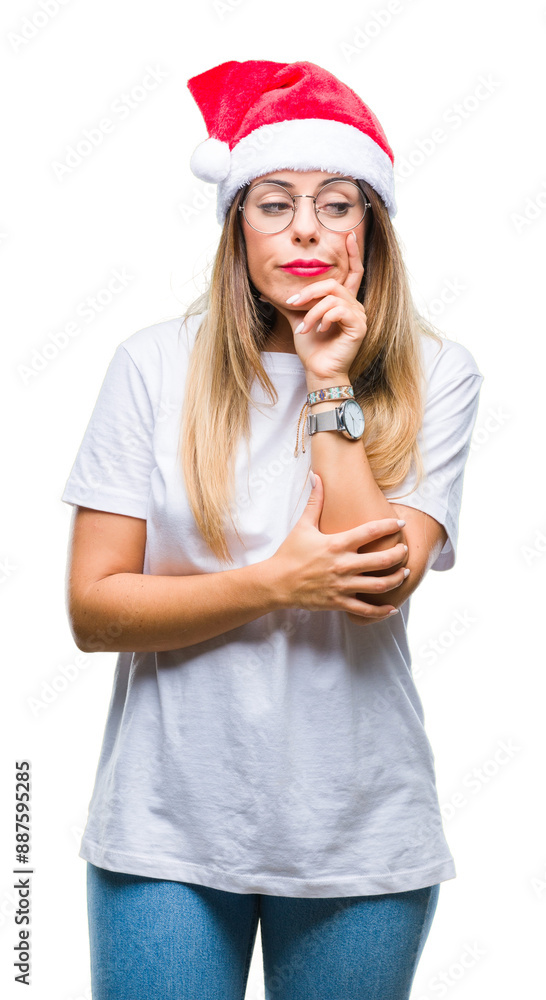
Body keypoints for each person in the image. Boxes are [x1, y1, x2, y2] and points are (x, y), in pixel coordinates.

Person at [61, 59, 485, 1000]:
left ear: (371, 232)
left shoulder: (436, 373)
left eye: (337, 204)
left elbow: (378, 587)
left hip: (360, 832)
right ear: (236, 229)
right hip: (166, 828)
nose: (305, 228)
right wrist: (276, 584)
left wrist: (329, 379)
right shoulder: (152, 366)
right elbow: (94, 609)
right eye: (274, 203)